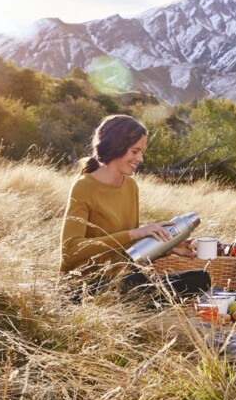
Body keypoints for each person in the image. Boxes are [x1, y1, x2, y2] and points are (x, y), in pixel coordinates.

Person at [60, 114, 210, 300]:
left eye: (142, 152)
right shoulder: (84, 187)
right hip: (85, 287)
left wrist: (166, 248)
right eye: (135, 151)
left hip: (122, 280)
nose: (141, 158)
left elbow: (130, 255)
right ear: (116, 147)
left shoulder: (130, 186)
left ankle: (131, 301)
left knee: (200, 279)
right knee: (142, 285)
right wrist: (133, 233)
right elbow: (70, 251)